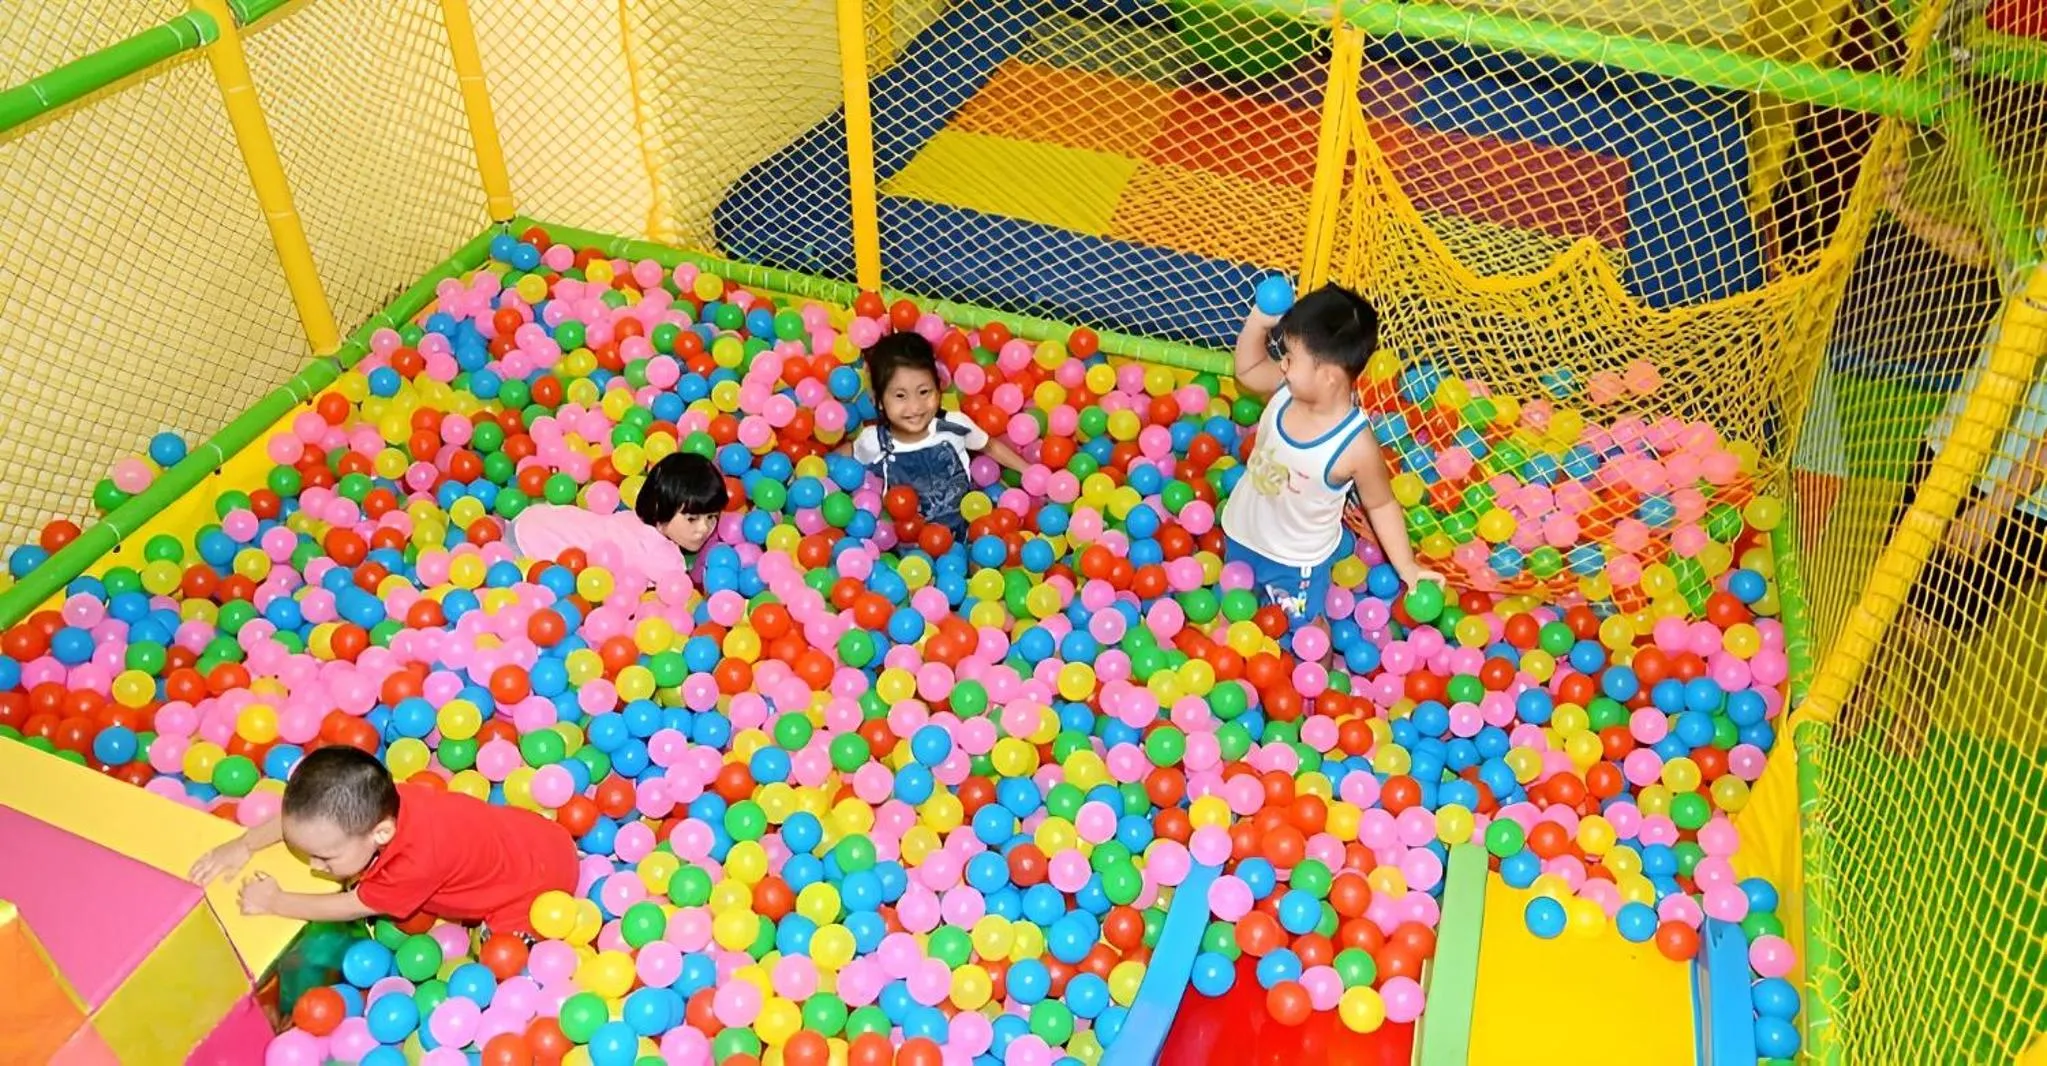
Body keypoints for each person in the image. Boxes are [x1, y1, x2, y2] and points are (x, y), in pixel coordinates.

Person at [1844, 355, 2047, 753]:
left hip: (2016, 497)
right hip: (1951, 449)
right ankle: (1864, 686)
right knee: (1896, 589)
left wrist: (1995, 506)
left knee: (1936, 624)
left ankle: (1916, 707)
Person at [1221, 284, 1439, 632]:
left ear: (1328, 377)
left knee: (1305, 632)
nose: (1283, 365)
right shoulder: (1285, 388)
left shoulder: (1354, 445)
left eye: (1291, 357)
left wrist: (1407, 567)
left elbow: (1381, 505)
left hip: (1295, 563)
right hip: (1242, 533)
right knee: (1232, 613)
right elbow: (1246, 372)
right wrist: (1258, 322)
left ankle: (1317, 682)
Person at [188, 747, 578, 939]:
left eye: (326, 857)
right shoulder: (385, 798)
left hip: (536, 890)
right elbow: (305, 820)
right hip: (534, 836)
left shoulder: (414, 864)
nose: (315, 866)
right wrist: (245, 843)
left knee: (499, 957)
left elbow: (353, 905)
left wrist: (275, 902)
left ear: (381, 835)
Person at [851, 333, 1026, 537]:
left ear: (939, 388)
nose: (915, 407)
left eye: (924, 392)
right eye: (900, 396)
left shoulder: (953, 425)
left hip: (965, 530)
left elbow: (989, 446)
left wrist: (1028, 470)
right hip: (908, 542)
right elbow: (849, 459)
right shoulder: (875, 440)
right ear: (878, 400)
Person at [507, 451, 728, 591]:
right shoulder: (666, 561)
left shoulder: (631, 518)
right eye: (691, 518)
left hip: (536, 516)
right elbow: (679, 593)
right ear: (661, 508)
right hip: (528, 550)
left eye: (712, 517)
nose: (703, 529)